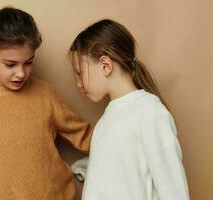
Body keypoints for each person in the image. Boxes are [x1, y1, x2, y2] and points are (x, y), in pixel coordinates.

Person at [0, 7, 93, 200]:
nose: (21, 73)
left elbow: (84, 135)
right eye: (10, 64)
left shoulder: (45, 94)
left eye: (28, 62)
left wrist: (128, 138)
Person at [70, 19, 189, 200]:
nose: (78, 84)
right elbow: (123, 168)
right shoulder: (109, 118)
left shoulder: (149, 112)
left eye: (80, 73)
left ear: (105, 65)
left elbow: (173, 189)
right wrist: (86, 168)